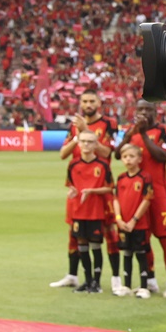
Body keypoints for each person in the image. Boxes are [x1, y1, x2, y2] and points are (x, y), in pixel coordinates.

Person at [51, 89, 120, 291]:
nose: (88, 104)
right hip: (78, 185)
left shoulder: (109, 124)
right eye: (85, 101)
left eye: (92, 101)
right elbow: (63, 154)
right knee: (75, 233)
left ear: (99, 102)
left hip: (99, 185)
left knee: (108, 231)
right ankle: (73, 275)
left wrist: (85, 133)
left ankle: (115, 278)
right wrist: (77, 135)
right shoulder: (74, 127)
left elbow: (108, 152)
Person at [119, 99, 166, 297]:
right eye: (140, 109)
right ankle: (150, 279)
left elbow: (161, 156)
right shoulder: (131, 131)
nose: (144, 113)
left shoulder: (165, 131)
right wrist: (131, 133)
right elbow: (118, 154)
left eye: (148, 109)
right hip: (137, 195)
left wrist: (142, 134)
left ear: (155, 112)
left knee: (165, 237)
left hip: (158, 193)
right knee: (144, 239)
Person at [65, 130, 113, 294]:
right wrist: (72, 192)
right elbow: (71, 185)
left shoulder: (102, 165)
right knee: (82, 247)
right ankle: (87, 280)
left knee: (95, 246)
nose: (86, 144)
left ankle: (96, 283)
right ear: (78, 143)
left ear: (96, 144)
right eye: (83, 141)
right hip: (78, 211)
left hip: (95, 211)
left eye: (90, 141)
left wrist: (91, 191)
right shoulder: (73, 165)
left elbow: (110, 188)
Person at [113, 143, 153, 298]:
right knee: (127, 253)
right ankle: (126, 285)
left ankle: (144, 286)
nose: (128, 160)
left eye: (131, 156)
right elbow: (115, 199)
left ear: (139, 159)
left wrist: (134, 220)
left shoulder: (144, 177)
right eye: (125, 157)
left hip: (139, 223)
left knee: (141, 253)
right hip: (123, 223)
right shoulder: (121, 178)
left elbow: (147, 199)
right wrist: (118, 219)